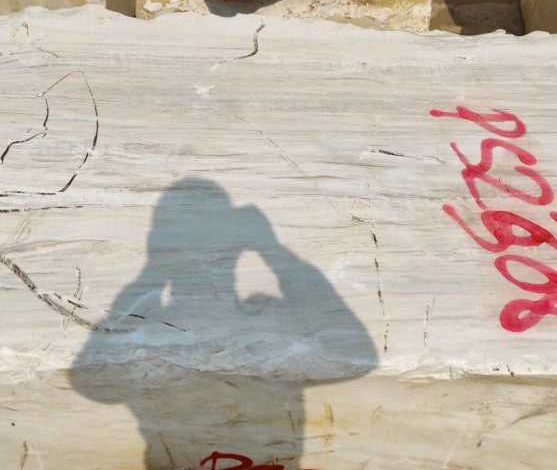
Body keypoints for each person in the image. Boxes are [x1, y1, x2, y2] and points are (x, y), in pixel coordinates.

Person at [71, 177, 378, 469]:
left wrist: (153, 269)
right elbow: (92, 384)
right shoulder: (271, 323)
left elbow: (356, 358)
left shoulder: (269, 320)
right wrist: (274, 252)